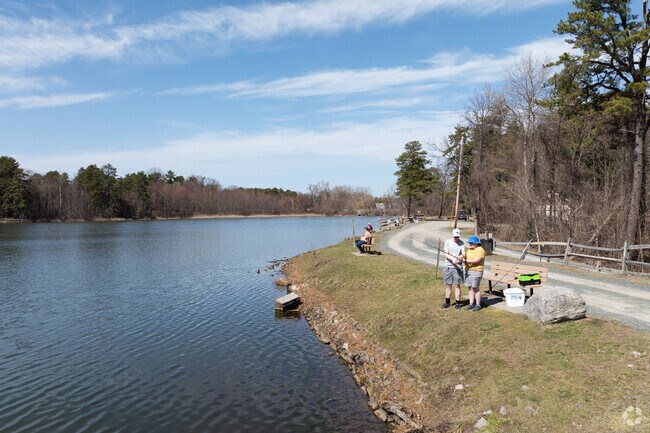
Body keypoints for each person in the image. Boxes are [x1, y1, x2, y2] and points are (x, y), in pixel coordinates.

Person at [440, 228, 465, 310]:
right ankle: (447, 302)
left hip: (457, 267)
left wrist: (460, 257)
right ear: (452, 235)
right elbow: (446, 254)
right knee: (448, 285)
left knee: (457, 285)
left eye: (458, 237)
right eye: (455, 237)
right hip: (448, 266)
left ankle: (458, 303)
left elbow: (463, 254)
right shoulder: (447, 242)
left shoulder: (461, 243)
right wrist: (452, 259)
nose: (456, 238)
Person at [463, 235, 486, 311]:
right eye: (470, 243)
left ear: (477, 243)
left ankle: (478, 304)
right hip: (468, 270)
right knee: (470, 288)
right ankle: (471, 304)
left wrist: (466, 261)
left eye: (472, 243)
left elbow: (476, 260)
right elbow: (464, 256)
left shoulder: (480, 250)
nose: (470, 244)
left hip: (476, 271)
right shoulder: (469, 249)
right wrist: (460, 257)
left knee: (475, 288)